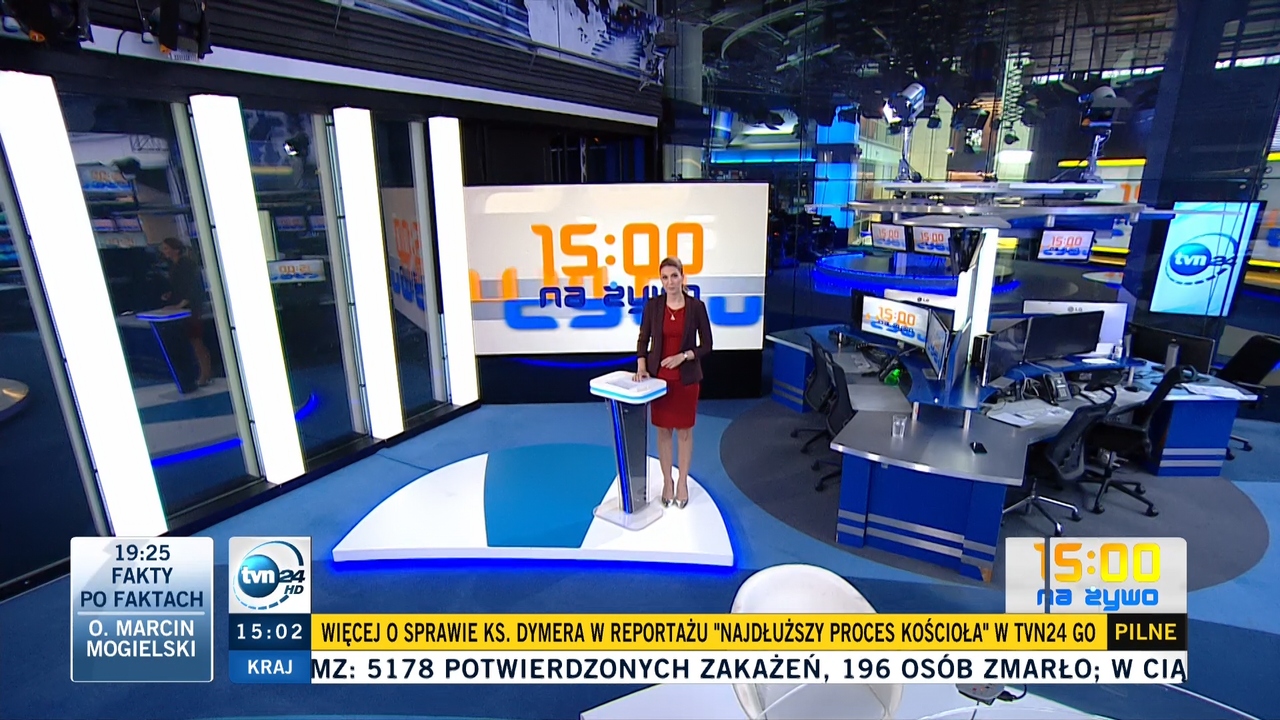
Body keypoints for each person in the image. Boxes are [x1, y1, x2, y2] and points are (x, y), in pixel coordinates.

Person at [634, 257, 712, 508]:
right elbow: (643, 339)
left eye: (674, 276)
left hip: (686, 381)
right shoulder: (654, 306)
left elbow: (707, 345)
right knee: (664, 431)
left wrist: (684, 356)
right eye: (665, 277)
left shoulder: (696, 307)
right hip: (659, 382)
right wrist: (642, 367)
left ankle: (682, 483)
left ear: (682, 277)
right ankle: (668, 482)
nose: (670, 282)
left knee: (684, 432)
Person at [159, 237, 212, 387]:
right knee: (192, 342)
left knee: (197, 342)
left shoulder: (186, 265)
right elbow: (180, 287)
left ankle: (205, 374)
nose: (164, 251)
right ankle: (199, 374)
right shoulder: (174, 266)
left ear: (175, 250)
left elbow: (193, 287)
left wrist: (181, 304)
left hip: (192, 308)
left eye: (166, 248)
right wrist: (171, 296)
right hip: (183, 308)